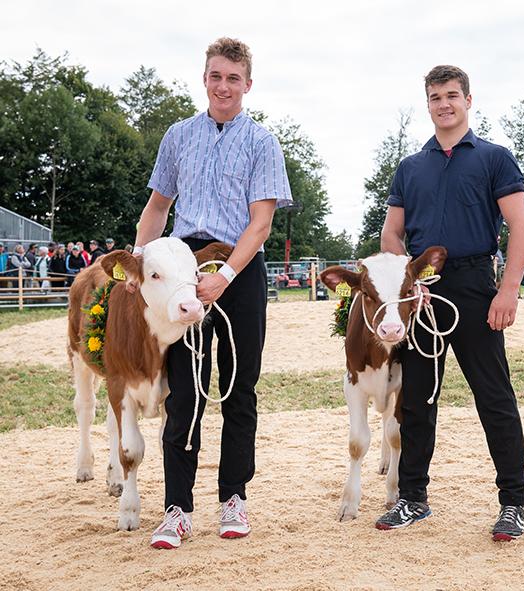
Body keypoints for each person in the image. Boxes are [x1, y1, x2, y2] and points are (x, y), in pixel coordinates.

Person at [140, 37, 292, 550]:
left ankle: (234, 498)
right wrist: (141, 264)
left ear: (248, 83)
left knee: (238, 389)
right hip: (184, 269)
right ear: (203, 78)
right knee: (183, 392)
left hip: (239, 271)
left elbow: (261, 221)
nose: (223, 86)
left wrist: (224, 275)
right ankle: (178, 509)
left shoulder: (262, 142)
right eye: (215, 76)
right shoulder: (179, 136)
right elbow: (159, 207)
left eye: (233, 78)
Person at [377, 64, 524, 540]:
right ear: (427, 104)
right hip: (421, 293)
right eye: (434, 96)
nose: (443, 103)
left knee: (494, 397)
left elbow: (521, 227)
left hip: (473, 286)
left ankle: (513, 502)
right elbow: (391, 233)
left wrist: (507, 291)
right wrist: (407, 281)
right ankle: (412, 498)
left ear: (468, 100)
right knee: (418, 398)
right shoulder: (410, 167)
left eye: (451, 95)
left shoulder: (494, 158)